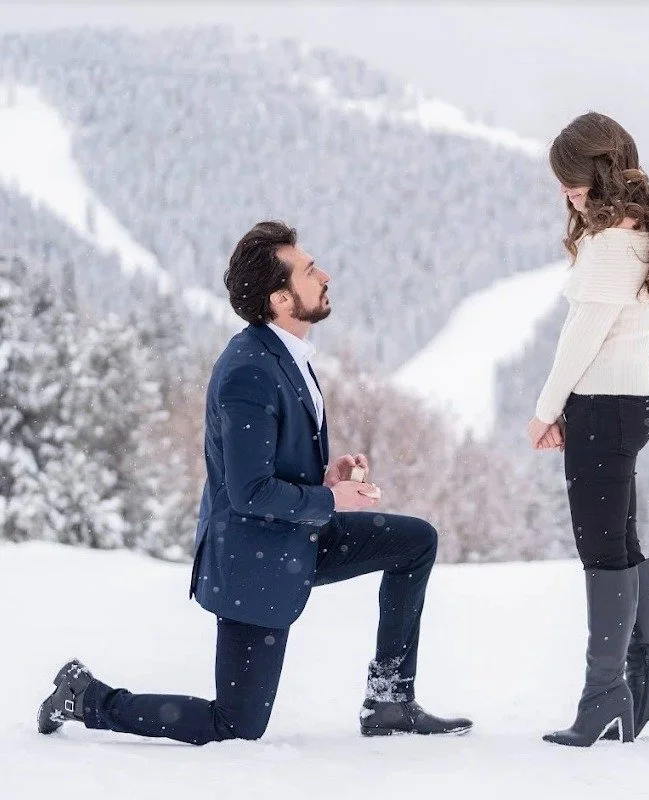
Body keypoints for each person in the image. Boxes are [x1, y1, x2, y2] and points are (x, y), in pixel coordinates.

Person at [38, 220, 472, 744]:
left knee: (414, 542)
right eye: (311, 271)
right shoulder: (249, 370)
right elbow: (249, 493)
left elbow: (269, 466)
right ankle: (85, 697)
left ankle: (389, 701)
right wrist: (330, 497)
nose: (326, 275)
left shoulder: (286, 355)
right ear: (281, 299)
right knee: (237, 724)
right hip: (255, 560)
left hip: (296, 537)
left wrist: (326, 478)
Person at [527, 112, 649, 747]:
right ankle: (645, 681)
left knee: (604, 551)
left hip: (603, 405)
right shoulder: (627, 232)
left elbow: (583, 335)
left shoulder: (617, 241)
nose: (564, 192)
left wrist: (545, 408)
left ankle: (605, 694)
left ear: (597, 173)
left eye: (571, 180)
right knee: (624, 543)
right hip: (620, 403)